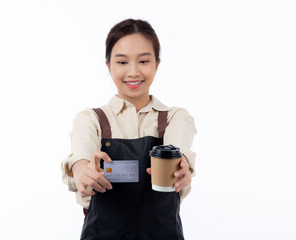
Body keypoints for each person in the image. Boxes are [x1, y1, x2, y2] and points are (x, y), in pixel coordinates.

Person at [61, 18, 197, 240]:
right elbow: (81, 153)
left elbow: (179, 148)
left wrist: (182, 168)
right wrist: (82, 172)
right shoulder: (92, 119)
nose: (133, 72)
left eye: (143, 61)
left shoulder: (174, 118)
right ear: (108, 65)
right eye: (122, 62)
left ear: (157, 64)